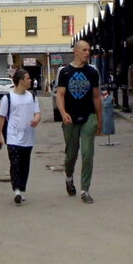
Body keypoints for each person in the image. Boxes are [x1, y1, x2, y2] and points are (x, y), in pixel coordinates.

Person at [55, 40, 102, 203]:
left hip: (88, 116)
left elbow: (96, 97)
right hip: (70, 118)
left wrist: (99, 120)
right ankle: (69, 177)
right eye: (84, 50)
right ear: (75, 52)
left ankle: (85, 190)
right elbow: (60, 95)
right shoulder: (65, 72)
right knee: (71, 155)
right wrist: (63, 112)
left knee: (88, 153)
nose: (87, 53)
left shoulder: (92, 72)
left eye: (89, 50)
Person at [0, 68, 41, 204]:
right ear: (21, 81)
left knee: (24, 164)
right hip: (13, 136)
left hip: (28, 137)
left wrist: (36, 120)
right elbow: (1, 118)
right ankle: (16, 190)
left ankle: (21, 189)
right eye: (28, 78)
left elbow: (37, 113)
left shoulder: (32, 97)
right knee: (15, 163)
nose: (30, 80)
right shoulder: (8, 98)